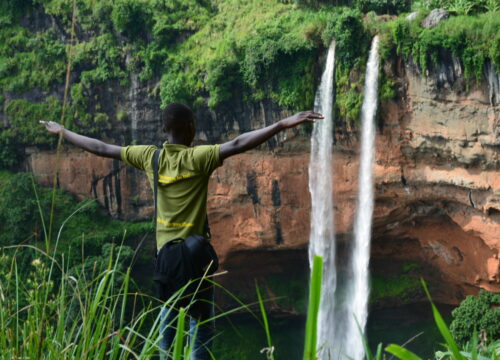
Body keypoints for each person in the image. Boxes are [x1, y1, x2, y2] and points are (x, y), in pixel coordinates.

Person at [40, 103, 323, 359]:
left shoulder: (150, 158)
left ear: (164, 129)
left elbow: (101, 148)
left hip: (167, 257)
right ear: (191, 128)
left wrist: (62, 131)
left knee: (168, 322)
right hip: (196, 257)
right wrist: (281, 124)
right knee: (200, 328)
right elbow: (238, 143)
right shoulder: (199, 158)